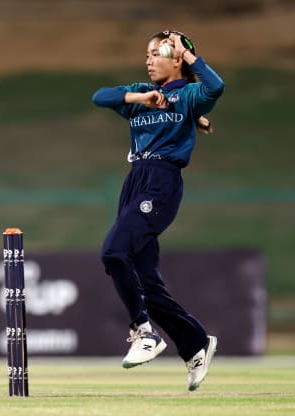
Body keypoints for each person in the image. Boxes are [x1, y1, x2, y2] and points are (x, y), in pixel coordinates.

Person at [92, 30, 224, 391]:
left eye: (157, 53)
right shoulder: (143, 93)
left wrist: (191, 56)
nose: (148, 60)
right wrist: (142, 98)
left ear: (177, 57)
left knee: (113, 252)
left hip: (161, 182)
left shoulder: (189, 93)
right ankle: (195, 342)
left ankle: (143, 332)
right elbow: (99, 96)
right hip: (134, 181)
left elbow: (215, 88)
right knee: (146, 283)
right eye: (147, 54)